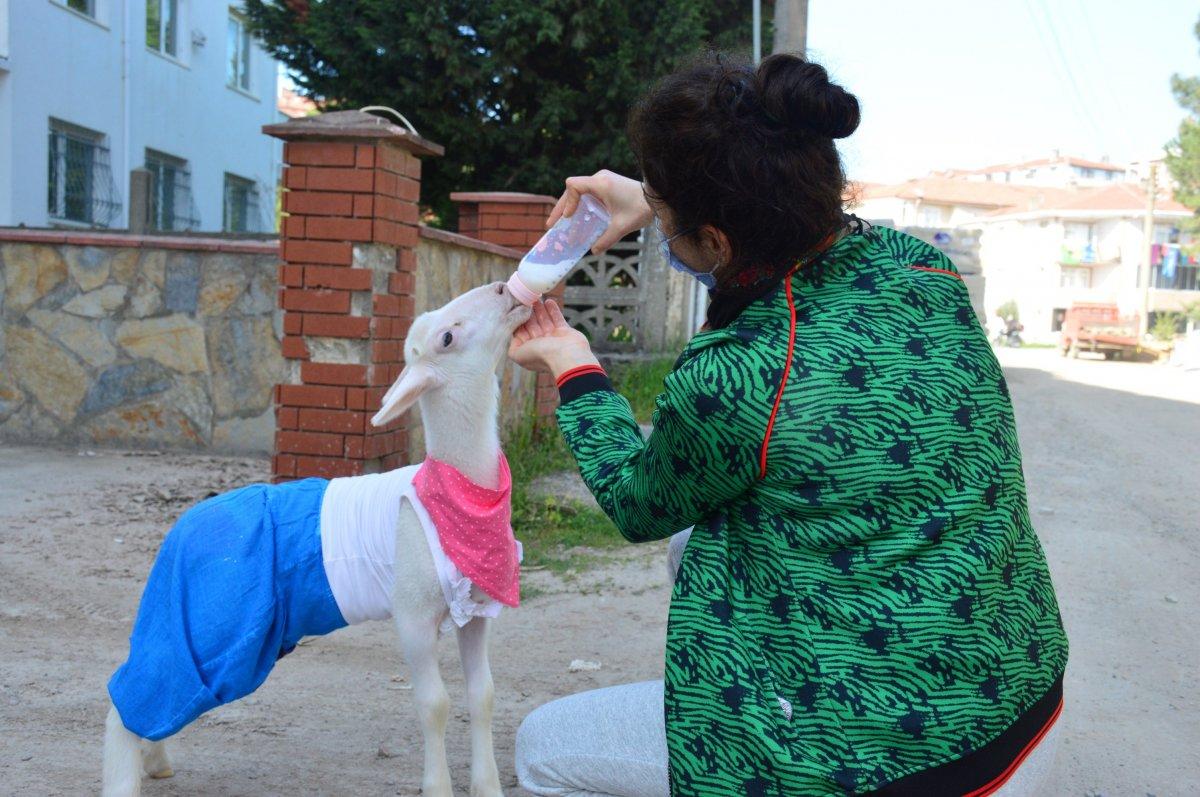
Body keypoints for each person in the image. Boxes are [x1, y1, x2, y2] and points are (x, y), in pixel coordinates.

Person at [507, 52, 1068, 797]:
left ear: (718, 239)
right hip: (1018, 688)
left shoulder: (737, 373)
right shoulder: (920, 270)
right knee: (696, 545)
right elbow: (776, 252)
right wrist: (656, 197)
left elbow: (637, 500)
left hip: (880, 758)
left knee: (544, 747)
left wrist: (573, 365)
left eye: (672, 227)